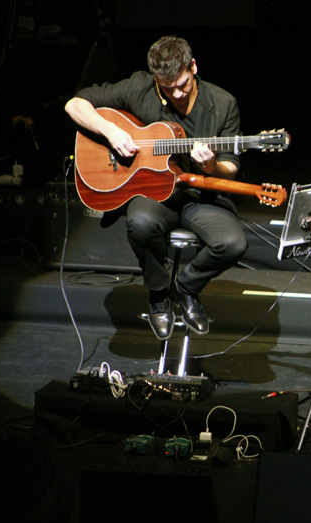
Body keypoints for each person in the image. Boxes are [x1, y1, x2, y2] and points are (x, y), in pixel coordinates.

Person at [65, 35, 247, 340]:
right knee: (140, 222)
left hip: (201, 197)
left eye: (182, 84)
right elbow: (75, 104)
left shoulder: (223, 103)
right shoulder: (140, 87)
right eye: (167, 87)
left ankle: (185, 288)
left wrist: (210, 166)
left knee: (233, 243)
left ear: (193, 66)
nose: (176, 93)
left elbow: (230, 167)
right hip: (152, 193)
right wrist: (110, 131)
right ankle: (159, 294)